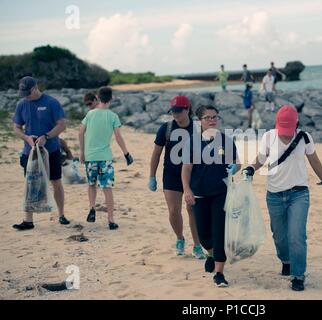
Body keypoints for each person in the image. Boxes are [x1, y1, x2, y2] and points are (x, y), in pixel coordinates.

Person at [242, 105, 322, 292]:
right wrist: (250, 168)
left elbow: (314, 160)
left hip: (299, 194)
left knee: (297, 236)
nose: (285, 135)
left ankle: (298, 276)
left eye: (288, 130)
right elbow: (260, 159)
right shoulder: (268, 137)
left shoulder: (305, 138)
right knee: (280, 237)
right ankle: (286, 260)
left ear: (296, 124)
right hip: (274, 195)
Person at [182, 105, 241, 287]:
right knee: (204, 235)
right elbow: (187, 167)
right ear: (200, 121)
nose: (212, 120)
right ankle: (210, 253)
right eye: (207, 117)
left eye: (215, 117)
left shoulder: (226, 141)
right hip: (199, 193)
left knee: (219, 233)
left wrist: (235, 168)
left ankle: (219, 273)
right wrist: (187, 190)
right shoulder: (191, 142)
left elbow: (236, 163)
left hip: (221, 193)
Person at [148, 96, 206, 259]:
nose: (175, 114)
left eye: (178, 111)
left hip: (193, 175)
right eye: (173, 111)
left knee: (192, 210)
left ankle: (197, 245)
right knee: (174, 210)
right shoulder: (165, 129)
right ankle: (180, 238)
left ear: (187, 109)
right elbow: (156, 153)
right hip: (171, 175)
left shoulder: (198, 129)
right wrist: (152, 176)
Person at [12, 76, 70, 230]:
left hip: (51, 150)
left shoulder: (51, 102)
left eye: (28, 92)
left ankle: (62, 215)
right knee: (30, 184)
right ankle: (28, 220)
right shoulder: (21, 104)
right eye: (23, 93)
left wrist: (47, 136)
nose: (26, 96)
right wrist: (26, 137)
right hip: (30, 152)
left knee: (56, 182)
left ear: (35, 88)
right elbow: (16, 127)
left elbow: (62, 124)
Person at [79, 87, 134, 230]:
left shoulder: (90, 114)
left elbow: (80, 132)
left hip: (90, 157)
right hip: (105, 158)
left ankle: (92, 207)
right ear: (111, 99)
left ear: (98, 97)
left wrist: (82, 152)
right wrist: (126, 153)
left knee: (91, 184)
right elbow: (118, 137)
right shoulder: (113, 116)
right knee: (107, 188)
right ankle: (111, 220)